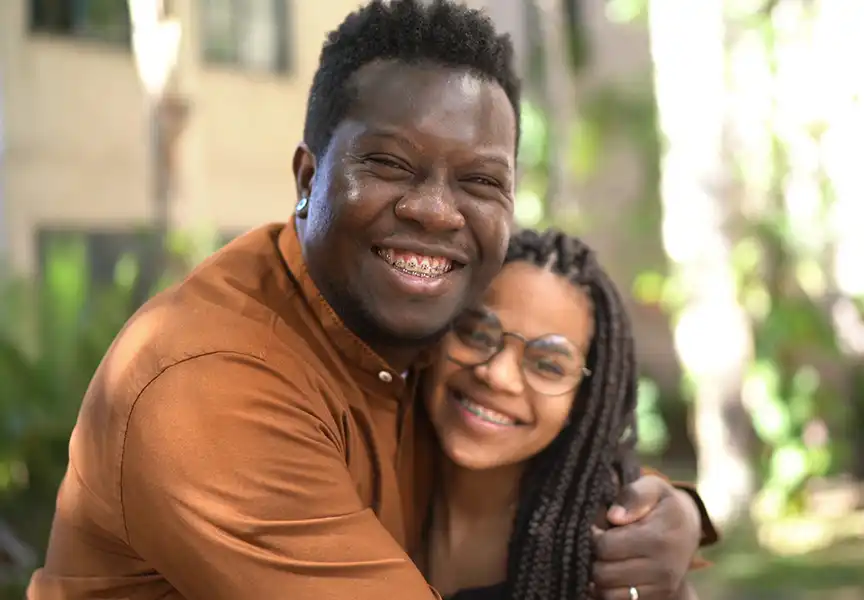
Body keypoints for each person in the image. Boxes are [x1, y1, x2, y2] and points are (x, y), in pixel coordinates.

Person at [27, 2, 714, 599]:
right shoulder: (210, 381)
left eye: (480, 182)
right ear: (308, 175)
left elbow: (552, 439)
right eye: (389, 164)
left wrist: (670, 513)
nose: (437, 211)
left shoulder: (427, 342)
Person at [419, 229, 701, 600]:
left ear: (582, 402)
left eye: (548, 366)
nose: (498, 375)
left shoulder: (617, 553)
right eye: (476, 334)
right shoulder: (374, 457)